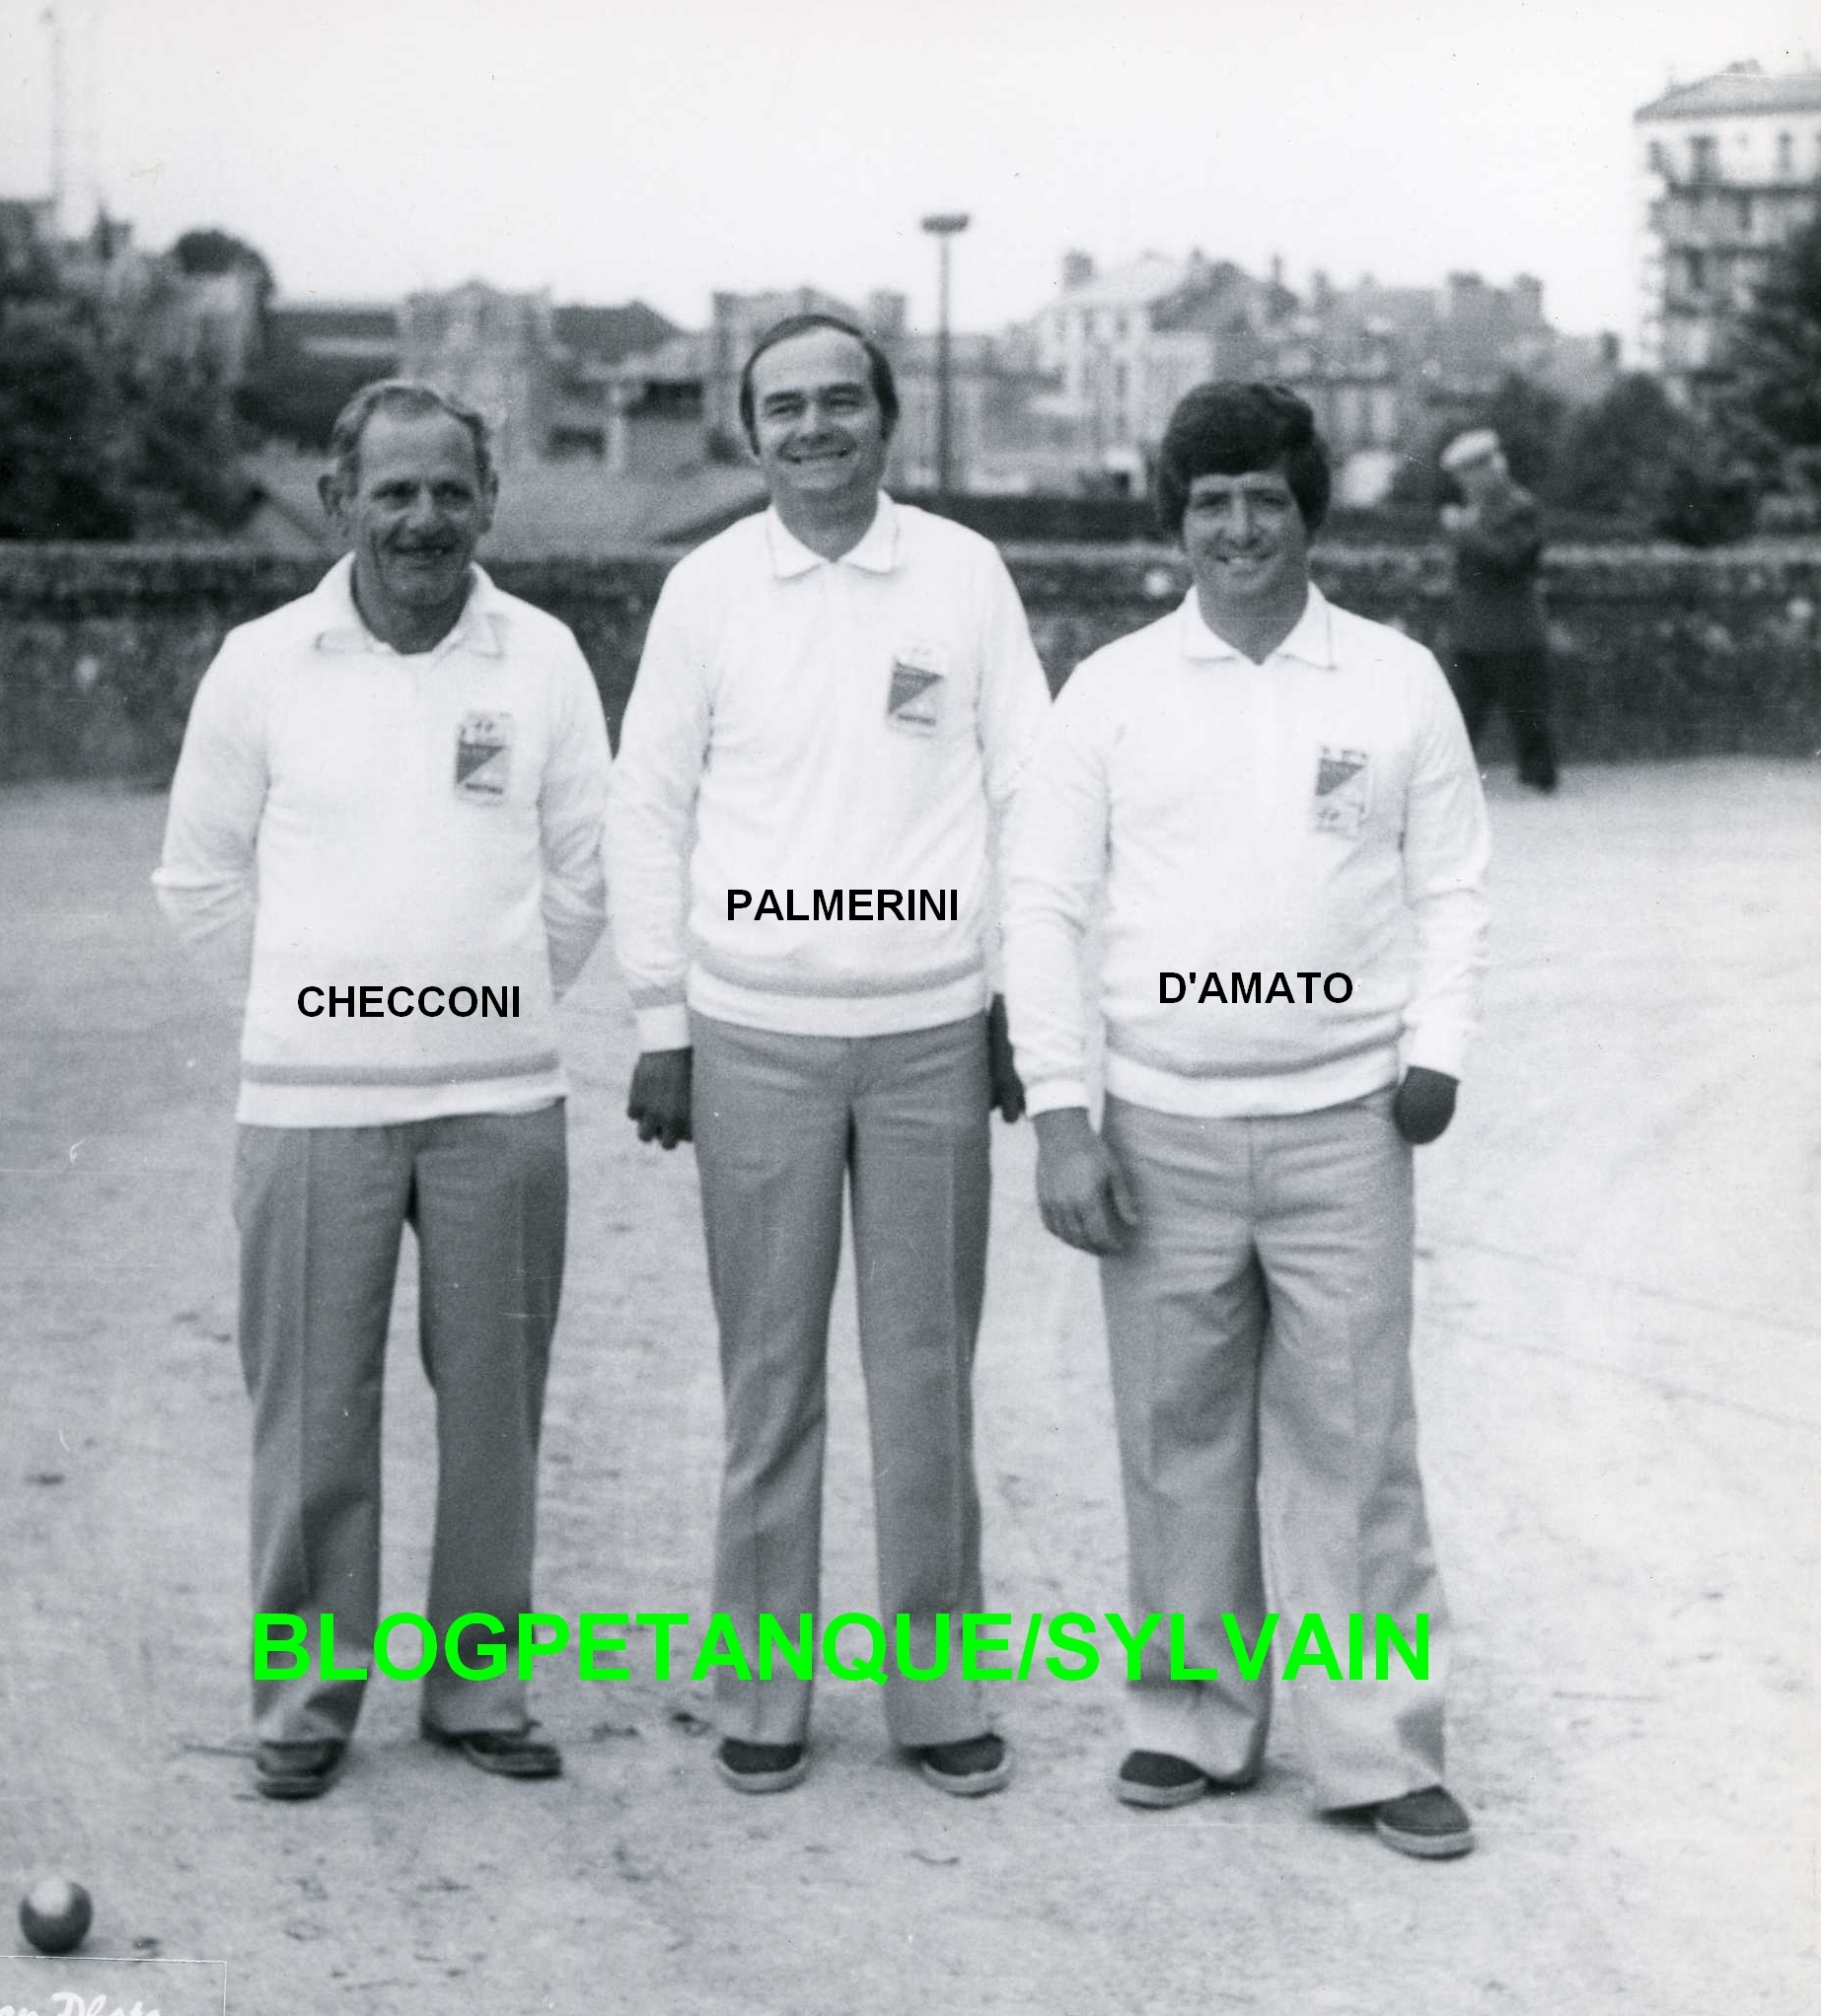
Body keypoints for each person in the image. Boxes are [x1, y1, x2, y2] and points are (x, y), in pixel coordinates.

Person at [1002, 382, 1488, 1860]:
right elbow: (1045, 903)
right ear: (1176, 518)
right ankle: (1191, 1719)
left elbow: (1452, 880)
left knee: (1354, 1439)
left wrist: (1434, 1051)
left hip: (1347, 1122)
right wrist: (1065, 1114)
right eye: (1208, 502)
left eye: (1263, 499)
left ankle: (1376, 1747)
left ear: (1307, 509)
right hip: (1161, 1129)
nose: (1236, 528)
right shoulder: (1113, 690)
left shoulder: (1396, 679)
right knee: (1177, 1431)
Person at [604, 314, 1052, 1797]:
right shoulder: (708, 589)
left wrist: (1012, 1007)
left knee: (925, 1375)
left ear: (888, 417)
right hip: (754, 1040)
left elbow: (1025, 798)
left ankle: (937, 1700)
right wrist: (662, 1021)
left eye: (841, 401)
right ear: (750, 431)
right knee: (771, 1375)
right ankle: (762, 1691)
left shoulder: (964, 575)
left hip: (929, 1035)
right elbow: (648, 813)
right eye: (785, 406)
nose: (814, 428)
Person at [152, 378, 609, 1797]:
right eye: (393, 491)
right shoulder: (262, 663)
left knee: (493, 1409)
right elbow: (200, 881)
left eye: (448, 491)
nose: (423, 518)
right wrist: (314, 1004)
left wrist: (475, 998)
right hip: (308, 1106)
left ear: (489, 502)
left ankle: (477, 1692)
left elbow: (584, 879)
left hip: (502, 1104)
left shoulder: (540, 660)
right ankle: (303, 1703)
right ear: (339, 501)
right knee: (313, 1413)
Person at [1439, 424, 1559, 792]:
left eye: (1467, 475)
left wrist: (1463, 532)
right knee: (1458, 714)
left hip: (1513, 632)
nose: (1463, 484)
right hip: (1473, 632)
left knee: (1529, 718)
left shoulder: (1521, 507)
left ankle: (1540, 783)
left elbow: (1513, 559)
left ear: (1489, 469)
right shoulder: (1475, 510)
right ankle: (1448, 783)